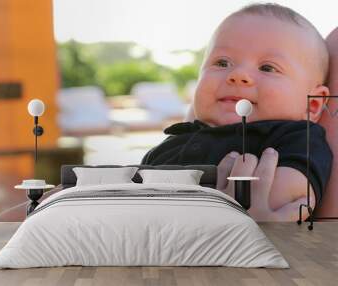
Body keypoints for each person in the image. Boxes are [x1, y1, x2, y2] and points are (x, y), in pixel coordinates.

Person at [141, 3, 333, 221]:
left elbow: (290, 195)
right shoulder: (172, 143)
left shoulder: (294, 137)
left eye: (267, 68)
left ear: (313, 105)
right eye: (222, 62)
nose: (238, 75)